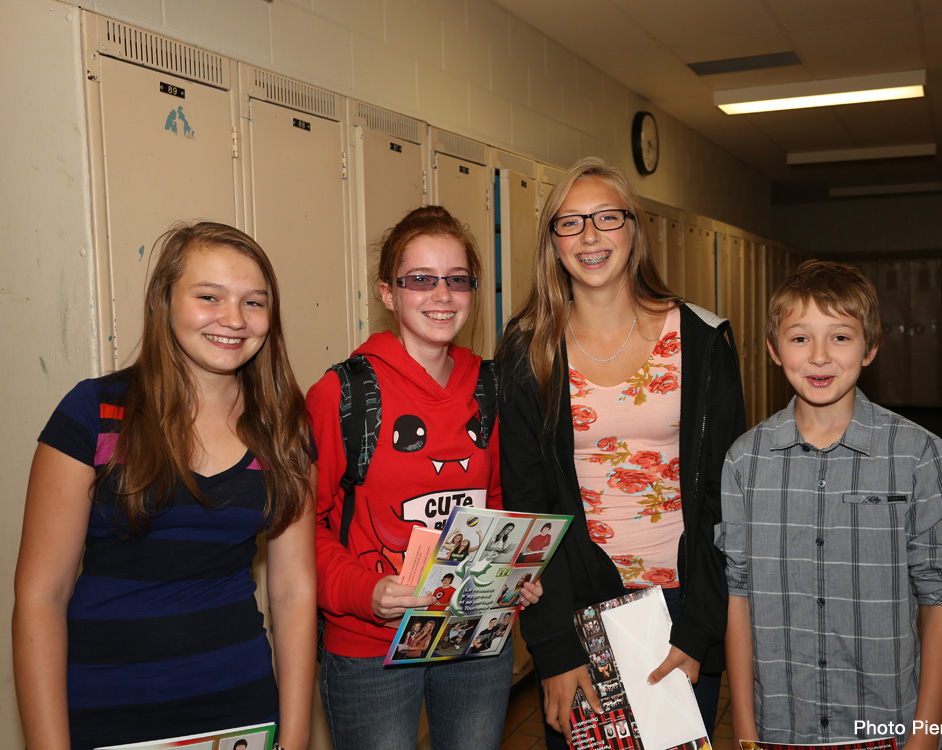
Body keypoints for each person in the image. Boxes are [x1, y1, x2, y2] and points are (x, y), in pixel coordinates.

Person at [12, 222, 316, 750]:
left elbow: (293, 591)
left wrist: (292, 739)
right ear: (162, 301)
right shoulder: (95, 413)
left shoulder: (283, 427)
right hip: (104, 711)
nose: (233, 319)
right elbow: (41, 595)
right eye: (209, 297)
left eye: (254, 302)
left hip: (239, 708)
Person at [496, 157, 745, 747]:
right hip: (580, 609)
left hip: (685, 604)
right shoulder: (527, 352)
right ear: (552, 242)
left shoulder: (703, 340)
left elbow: (725, 499)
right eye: (570, 222)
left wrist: (701, 628)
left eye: (607, 217)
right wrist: (553, 651)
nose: (589, 236)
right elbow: (531, 510)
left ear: (634, 230)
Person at [309, 205, 541, 750]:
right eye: (421, 280)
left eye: (457, 280)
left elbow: (498, 503)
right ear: (388, 292)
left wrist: (519, 567)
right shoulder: (343, 395)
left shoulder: (490, 386)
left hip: (474, 635)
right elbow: (302, 528)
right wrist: (365, 591)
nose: (442, 295)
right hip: (371, 644)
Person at [718, 260, 942, 750]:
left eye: (840, 337)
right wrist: (746, 734)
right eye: (799, 338)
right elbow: (739, 597)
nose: (818, 357)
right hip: (780, 729)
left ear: (870, 348)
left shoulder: (919, 455)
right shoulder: (744, 462)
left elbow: (941, 595)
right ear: (773, 349)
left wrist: (922, 738)